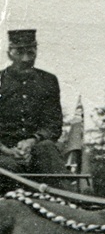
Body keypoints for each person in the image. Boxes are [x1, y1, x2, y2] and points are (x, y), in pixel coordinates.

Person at [0, 29, 64, 174]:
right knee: (9, 169)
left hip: (38, 150)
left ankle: (70, 196)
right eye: (19, 52)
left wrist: (32, 141)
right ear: (9, 52)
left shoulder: (48, 81)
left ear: (36, 51)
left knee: (47, 148)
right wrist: (7, 150)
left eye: (30, 52)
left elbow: (53, 124)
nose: (25, 59)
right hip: (3, 153)